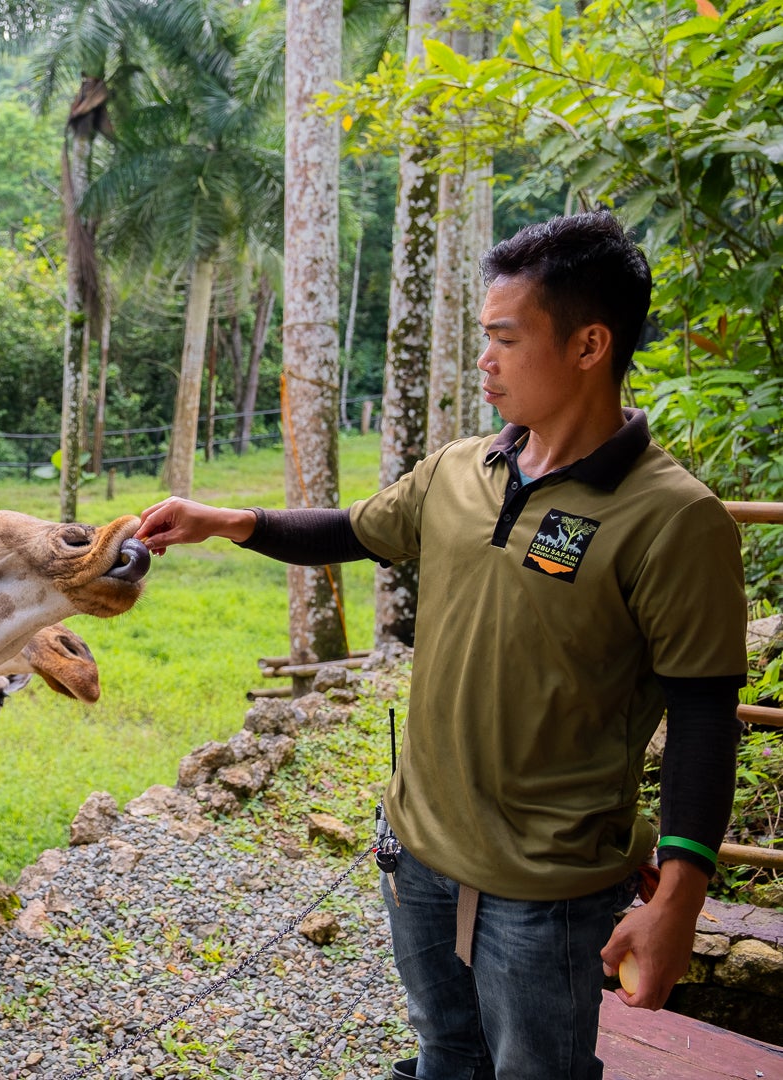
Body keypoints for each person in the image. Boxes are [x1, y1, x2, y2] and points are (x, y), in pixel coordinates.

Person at [135, 211, 748, 1080]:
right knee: (444, 1056)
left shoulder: (674, 518)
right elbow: (352, 529)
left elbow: (703, 713)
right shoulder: (462, 470)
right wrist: (230, 521)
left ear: (589, 345)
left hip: (549, 890)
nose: (484, 361)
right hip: (416, 851)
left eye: (504, 339)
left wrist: (680, 895)